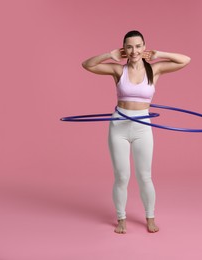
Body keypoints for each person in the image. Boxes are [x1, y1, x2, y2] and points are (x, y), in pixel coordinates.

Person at [81, 30, 191, 234]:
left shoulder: (154, 69)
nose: (134, 51)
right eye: (129, 47)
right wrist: (109, 55)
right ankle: (121, 218)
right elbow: (87, 65)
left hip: (143, 126)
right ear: (124, 48)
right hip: (119, 125)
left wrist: (159, 53)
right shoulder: (117, 70)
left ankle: (150, 217)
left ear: (144, 46)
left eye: (138, 46)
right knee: (122, 176)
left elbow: (185, 60)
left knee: (144, 176)